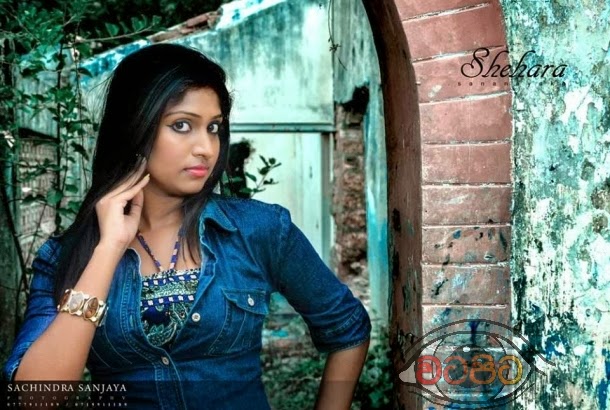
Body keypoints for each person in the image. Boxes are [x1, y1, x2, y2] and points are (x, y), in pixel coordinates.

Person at [2, 43, 371, 409]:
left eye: (214, 128)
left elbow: (348, 327)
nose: (206, 148)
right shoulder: (64, 258)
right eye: (182, 125)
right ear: (135, 128)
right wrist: (108, 248)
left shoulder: (258, 230)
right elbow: (35, 399)